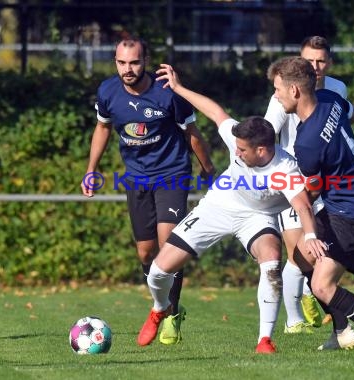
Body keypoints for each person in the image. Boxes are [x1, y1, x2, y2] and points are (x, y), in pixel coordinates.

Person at [136, 63, 327, 354]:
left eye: (242, 150)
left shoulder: (285, 168)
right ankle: (159, 308)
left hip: (258, 218)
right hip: (218, 207)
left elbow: (302, 205)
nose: (235, 153)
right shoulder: (240, 138)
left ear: (261, 150)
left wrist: (311, 236)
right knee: (158, 272)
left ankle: (264, 340)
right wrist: (178, 88)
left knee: (272, 260)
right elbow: (215, 112)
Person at [81, 34, 215, 346]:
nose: (127, 69)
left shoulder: (168, 93)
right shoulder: (108, 91)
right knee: (145, 252)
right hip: (136, 179)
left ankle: (170, 314)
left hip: (172, 174)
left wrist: (208, 170)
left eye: (134, 62)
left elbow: (192, 134)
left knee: (168, 245)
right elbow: (102, 128)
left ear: (146, 62)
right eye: (121, 62)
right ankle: (163, 302)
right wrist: (91, 169)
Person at [267, 56, 354, 353]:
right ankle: (341, 331)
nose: (275, 96)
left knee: (321, 286)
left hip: (351, 213)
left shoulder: (307, 143)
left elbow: (313, 190)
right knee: (302, 256)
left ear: (294, 91)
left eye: (277, 89)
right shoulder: (330, 98)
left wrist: (292, 200)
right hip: (348, 203)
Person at [264, 36, 354, 334]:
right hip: (297, 180)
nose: (315, 67)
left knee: (320, 249)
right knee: (298, 254)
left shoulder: (336, 88)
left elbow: (349, 113)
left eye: (321, 61)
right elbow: (267, 135)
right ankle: (294, 319)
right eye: (309, 61)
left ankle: (314, 295)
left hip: (328, 181)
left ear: (329, 63)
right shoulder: (282, 96)